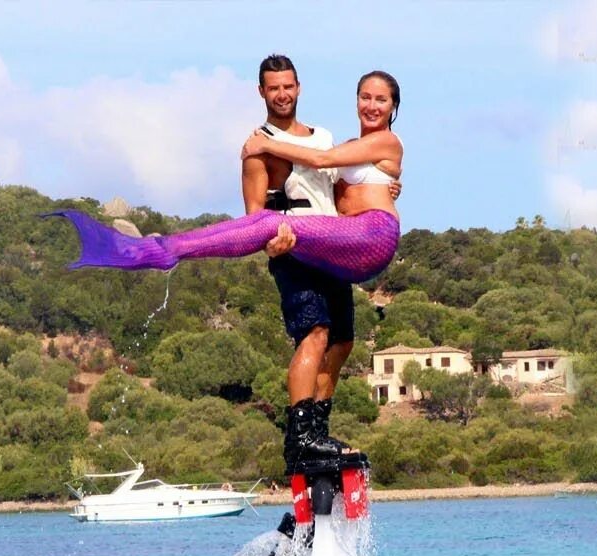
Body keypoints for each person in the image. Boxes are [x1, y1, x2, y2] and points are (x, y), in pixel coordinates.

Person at [47, 60, 404, 464]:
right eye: (365, 97)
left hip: (361, 240)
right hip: (314, 249)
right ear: (262, 92)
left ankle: (309, 433)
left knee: (336, 340)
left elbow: (326, 166)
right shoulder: (274, 151)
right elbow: (272, 212)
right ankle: (308, 438)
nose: (371, 105)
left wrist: (386, 183)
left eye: (381, 99)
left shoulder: (339, 142)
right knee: (329, 337)